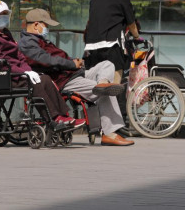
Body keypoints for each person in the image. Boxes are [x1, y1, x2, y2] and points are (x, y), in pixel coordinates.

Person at [18, 8, 135, 146]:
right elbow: (46, 60)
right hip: (64, 80)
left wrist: (76, 62)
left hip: (73, 74)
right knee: (105, 92)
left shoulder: (41, 40)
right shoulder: (28, 43)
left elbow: (57, 58)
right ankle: (109, 134)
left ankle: (102, 83)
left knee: (107, 64)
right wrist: (71, 64)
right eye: (46, 25)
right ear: (36, 25)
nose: (47, 28)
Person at [0, 0, 83, 132]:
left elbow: (19, 56)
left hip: (14, 73)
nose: (3, 17)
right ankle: (53, 119)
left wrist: (28, 71)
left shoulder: (5, 33)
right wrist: (22, 72)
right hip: (1, 75)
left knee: (44, 78)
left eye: (5, 14)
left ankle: (63, 116)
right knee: (36, 83)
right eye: (0, 14)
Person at [83, 0, 140, 84]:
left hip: (92, 46)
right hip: (112, 45)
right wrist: (136, 36)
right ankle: (113, 102)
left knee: (97, 84)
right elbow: (131, 22)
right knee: (113, 86)